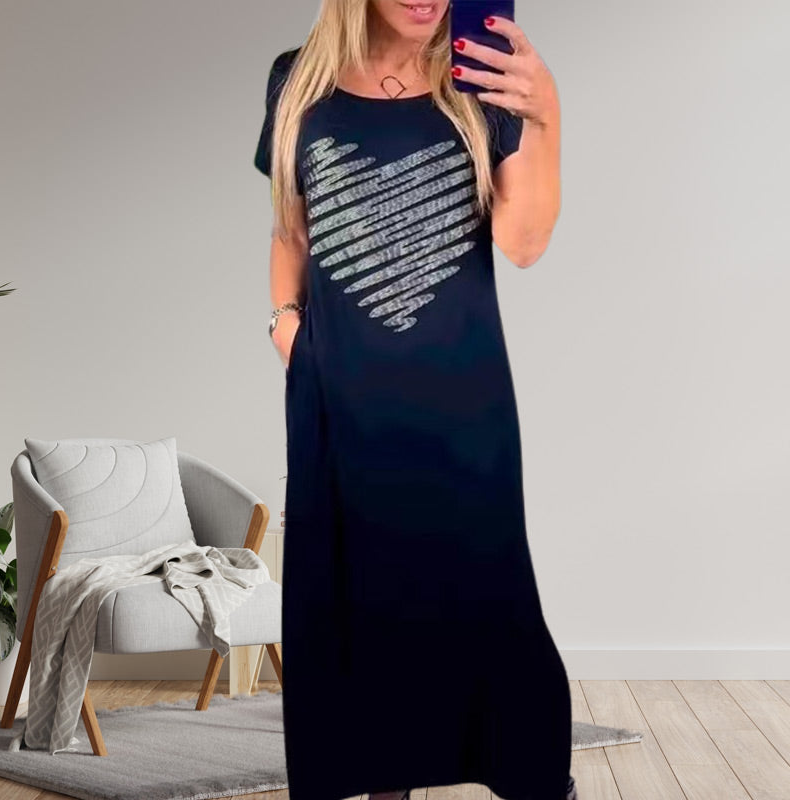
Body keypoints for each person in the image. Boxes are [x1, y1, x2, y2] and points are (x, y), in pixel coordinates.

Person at [254, 2, 576, 799]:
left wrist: (545, 114)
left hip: (463, 410)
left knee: (490, 606)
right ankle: (380, 781)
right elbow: (291, 232)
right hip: (337, 407)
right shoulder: (297, 82)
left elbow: (523, 244)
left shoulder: (482, 83)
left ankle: (536, 779)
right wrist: (287, 329)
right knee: (356, 613)